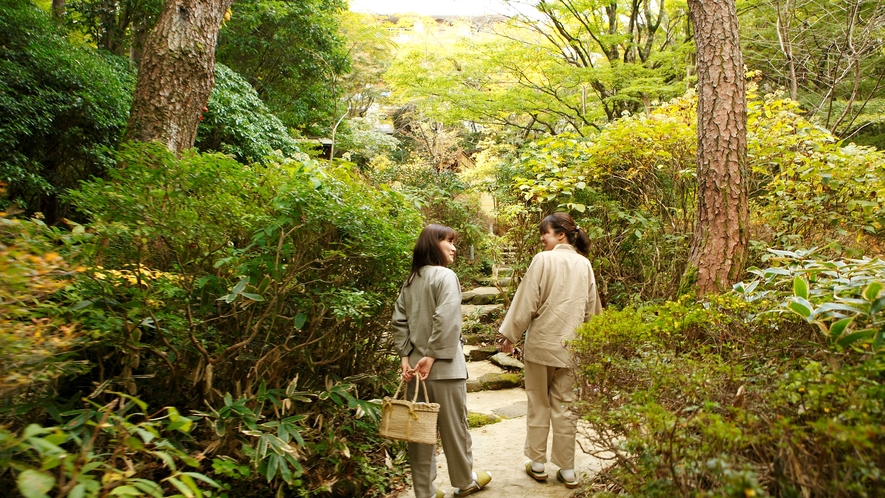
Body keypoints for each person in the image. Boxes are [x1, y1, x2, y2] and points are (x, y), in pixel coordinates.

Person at [498, 212, 603, 489]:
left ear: (560, 234)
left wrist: (510, 335)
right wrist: (593, 347)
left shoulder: (543, 260)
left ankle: (538, 464)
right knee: (566, 407)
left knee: (538, 403)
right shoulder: (585, 265)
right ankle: (568, 469)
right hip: (573, 348)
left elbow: (527, 300)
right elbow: (593, 310)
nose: (542, 238)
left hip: (541, 347)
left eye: (545, 232)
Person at [391, 224, 492, 498]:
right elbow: (447, 318)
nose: (454, 247)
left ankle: (425, 491)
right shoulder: (445, 276)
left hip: (414, 370)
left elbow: (399, 322)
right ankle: (464, 481)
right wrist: (433, 354)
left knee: (419, 433)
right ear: (434, 243)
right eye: (449, 241)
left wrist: (405, 356)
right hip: (445, 367)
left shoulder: (411, 280)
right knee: (455, 428)